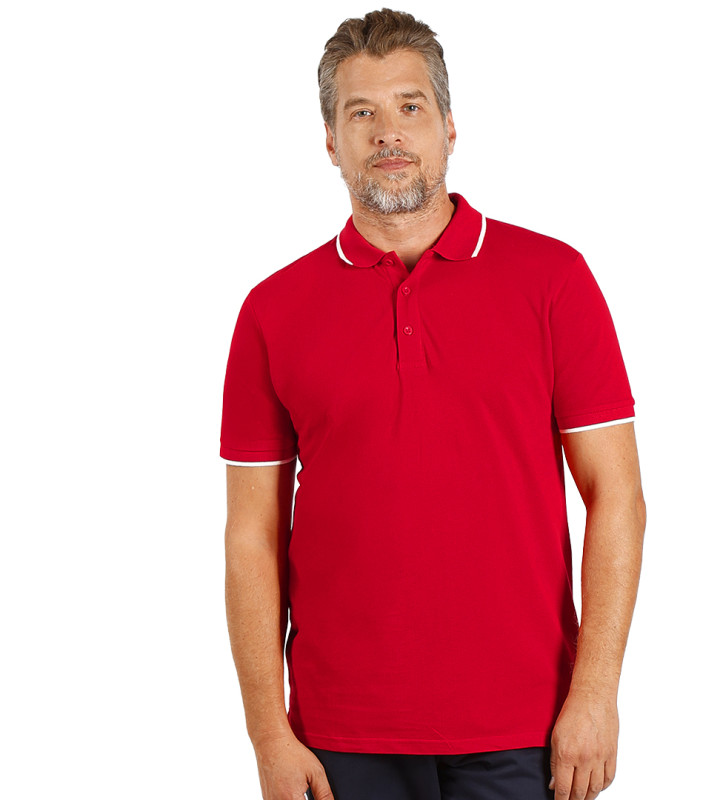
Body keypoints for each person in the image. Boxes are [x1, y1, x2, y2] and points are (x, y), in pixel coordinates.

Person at [220, 9, 646, 800]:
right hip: (338, 734)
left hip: (526, 725)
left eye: (410, 106)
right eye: (362, 113)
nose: (389, 132)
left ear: (449, 126)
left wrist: (595, 694)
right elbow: (251, 535)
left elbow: (616, 494)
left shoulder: (554, 280)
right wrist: (267, 732)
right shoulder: (272, 311)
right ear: (330, 141)